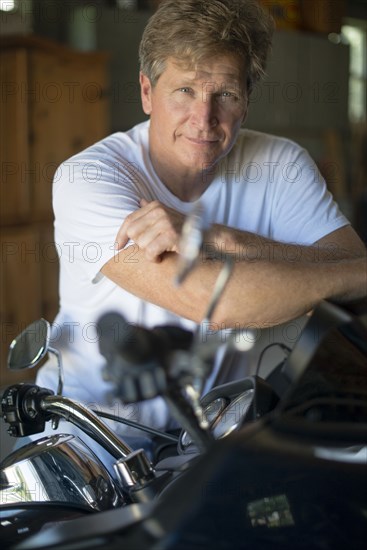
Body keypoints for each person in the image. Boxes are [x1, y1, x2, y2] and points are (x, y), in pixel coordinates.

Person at [36, 0, 366, 447]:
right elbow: (216, 303)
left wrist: (219, 237)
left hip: (212, 432)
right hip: (91, 433)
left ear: (246, 101)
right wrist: (342, 272)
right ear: (147, 93)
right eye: (185, 91)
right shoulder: (89, 176)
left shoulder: (280, 163)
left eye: (225, 94)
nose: (204, 119)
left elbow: (353, 271)